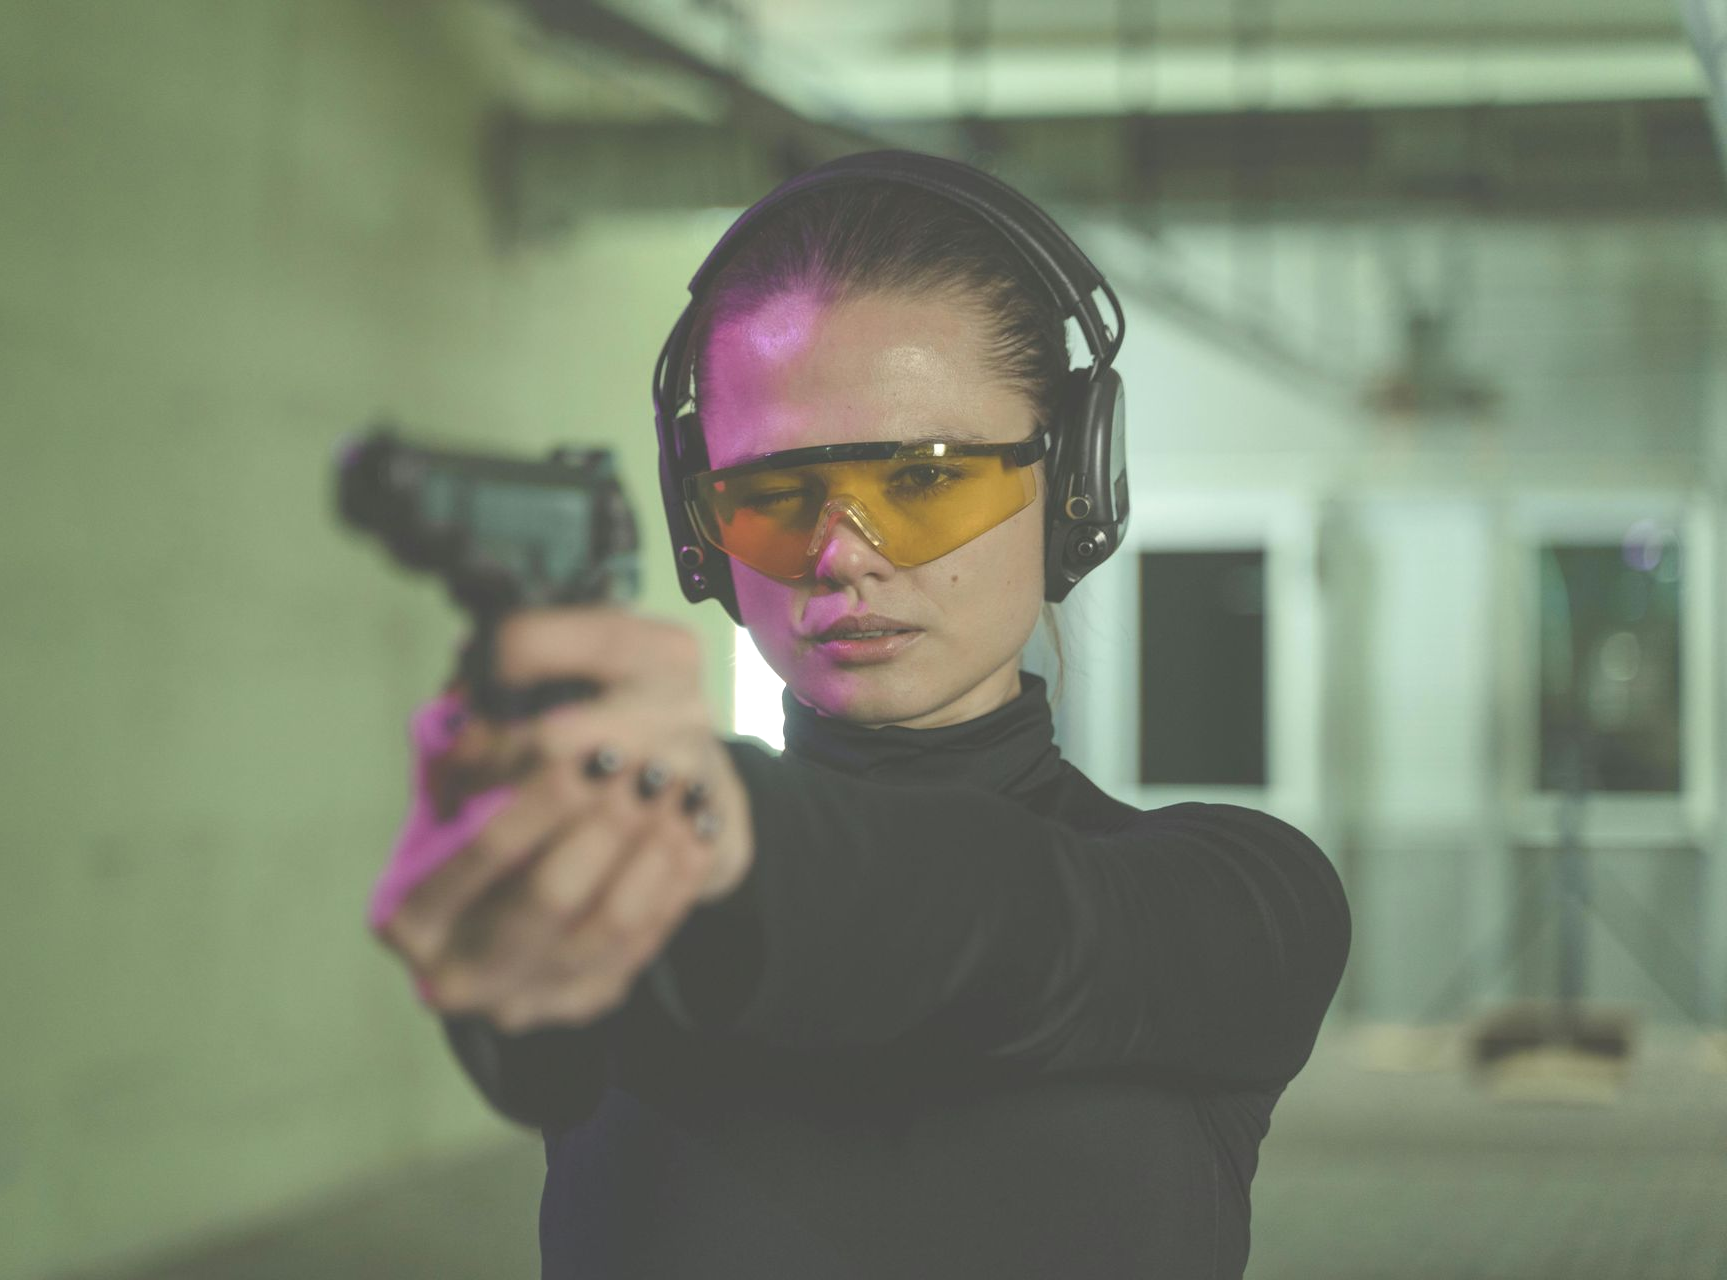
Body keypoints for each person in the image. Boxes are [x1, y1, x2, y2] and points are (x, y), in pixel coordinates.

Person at [373, 153, 1353, 1279]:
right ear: (703, 530)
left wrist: (712, 822)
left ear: (1075, 482)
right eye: (774, 497)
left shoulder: (1242, 899)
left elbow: (1008, 927)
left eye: (927, 479)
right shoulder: (655, 880)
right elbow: (534, 1052)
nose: (841, 557)